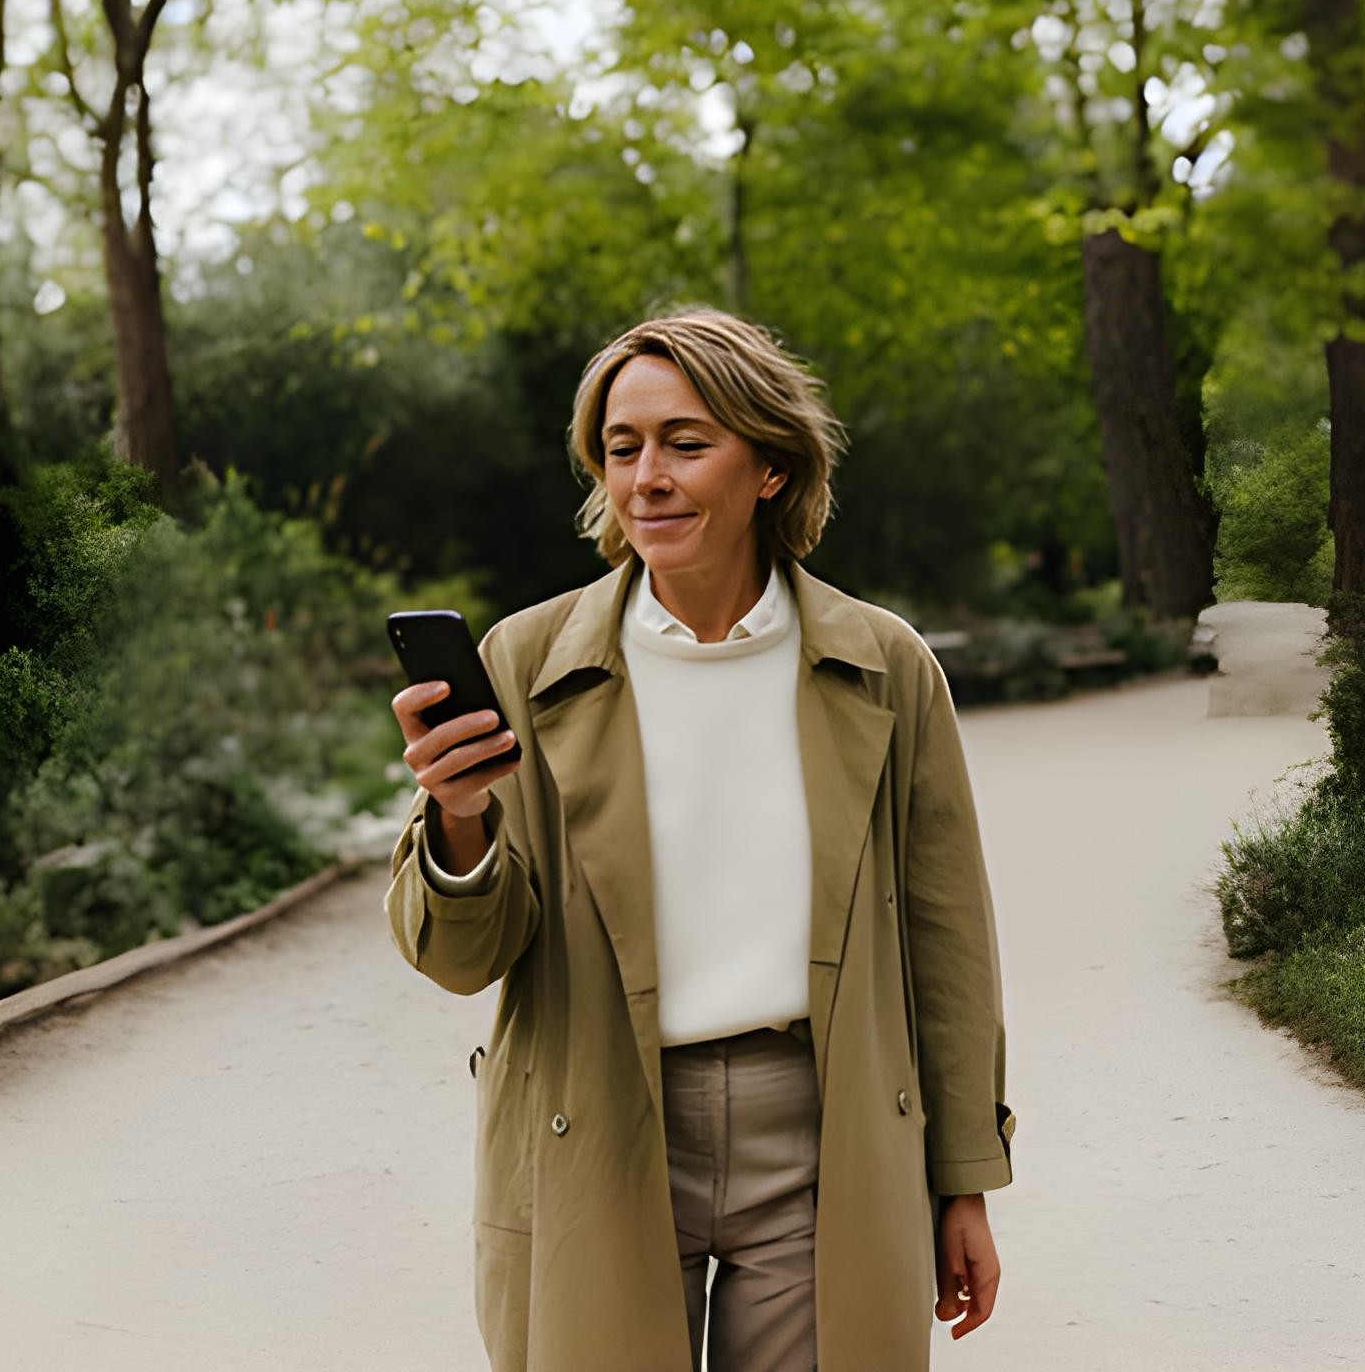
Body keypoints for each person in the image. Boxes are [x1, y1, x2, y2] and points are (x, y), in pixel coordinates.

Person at [386, 305, 1013, 1372]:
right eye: (622, 448)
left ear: (769, 465)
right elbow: (461, 958)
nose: (648, 478)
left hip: (826, 1127)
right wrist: (459, 819)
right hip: (594, 1119)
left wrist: (964, 1177)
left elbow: (949, 942)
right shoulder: (527, 658)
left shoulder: (885, 664)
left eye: (686, 441)